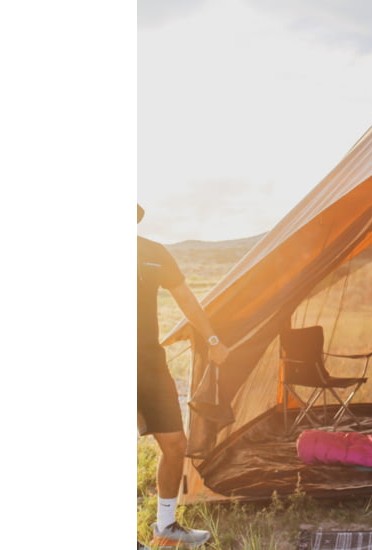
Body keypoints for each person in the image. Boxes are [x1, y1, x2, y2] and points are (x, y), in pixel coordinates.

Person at [137, 204, 230, 548]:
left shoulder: (153, 252)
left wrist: (212, 338)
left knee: (175, 444)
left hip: (150, 364)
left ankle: (166, 526)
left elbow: (185, 297)